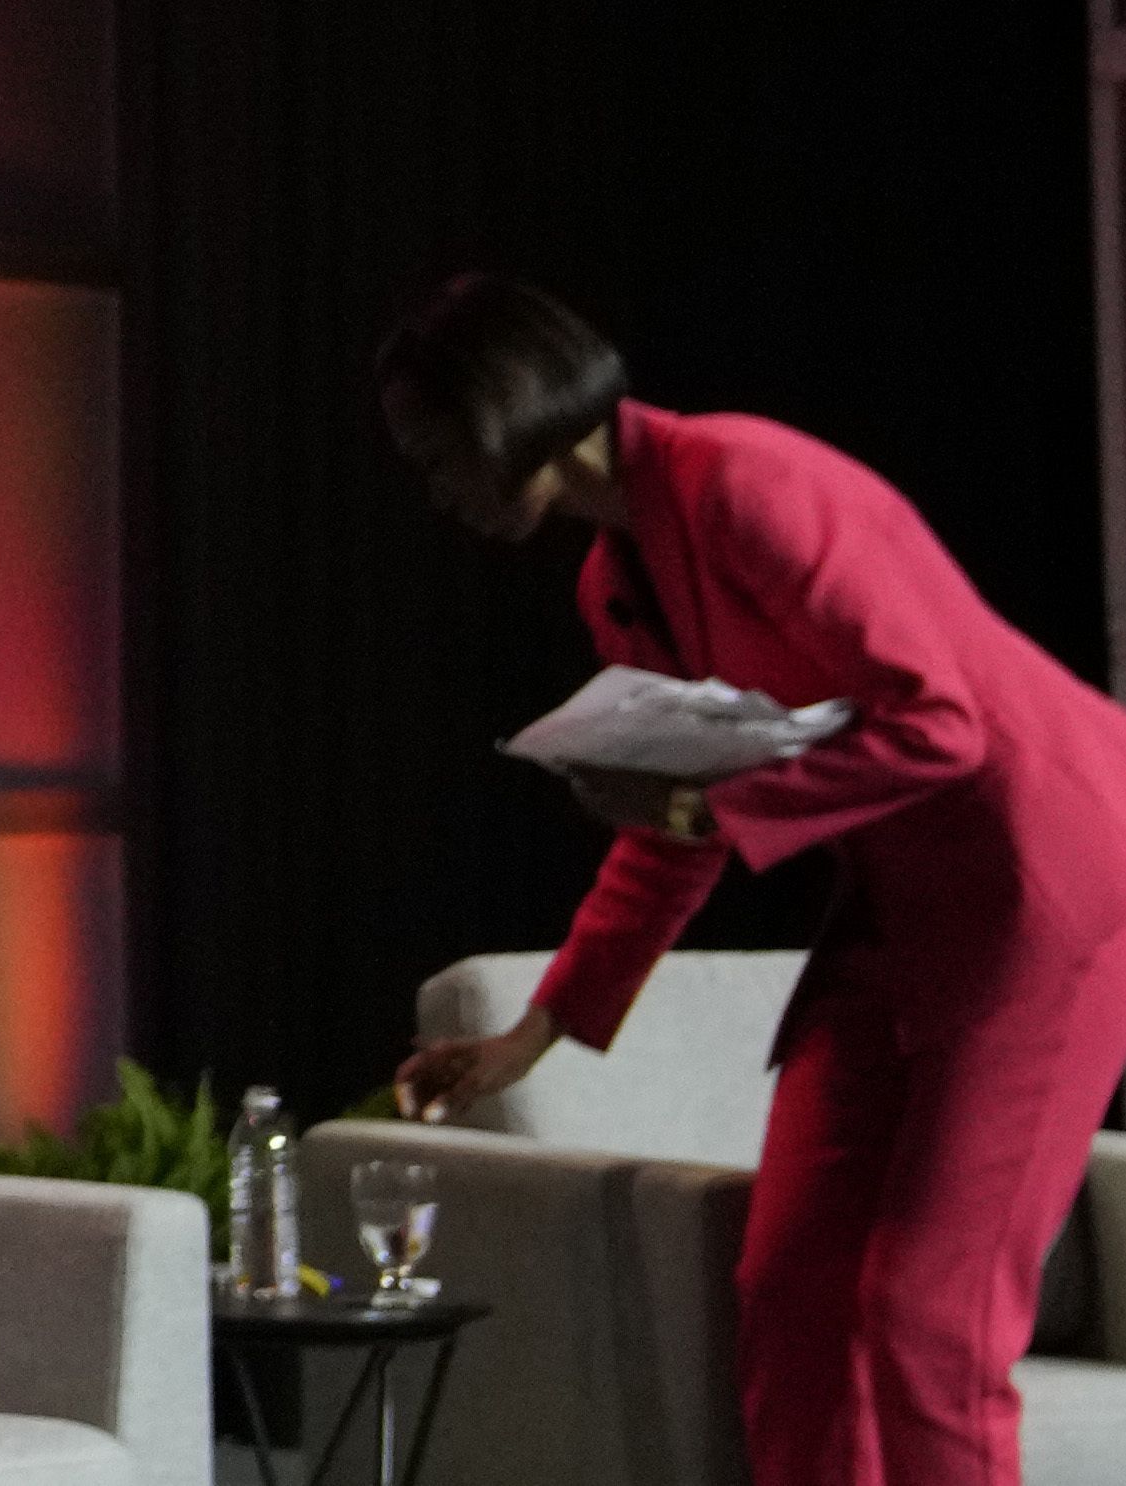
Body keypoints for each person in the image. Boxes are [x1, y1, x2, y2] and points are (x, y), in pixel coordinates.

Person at [385, 273, 1126, 1486]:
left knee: (927, 1317)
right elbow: (678, 825)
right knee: (788, 1288)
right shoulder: (616, 578)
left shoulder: (747, 481)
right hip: (899, 907)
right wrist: (538, 1031)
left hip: (1044, 886)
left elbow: (942, 724)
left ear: (507, 409)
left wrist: (696, 801)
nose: (441, 493)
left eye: (438, 456)